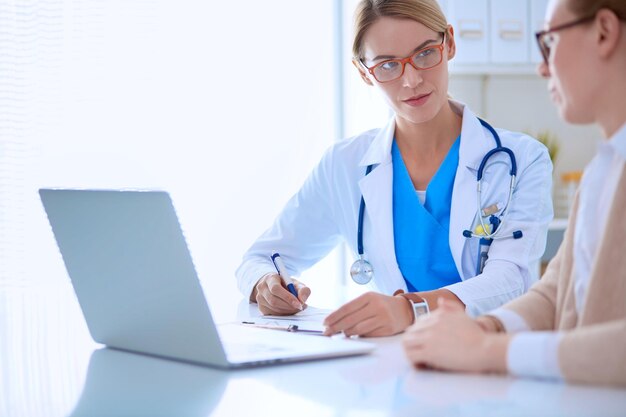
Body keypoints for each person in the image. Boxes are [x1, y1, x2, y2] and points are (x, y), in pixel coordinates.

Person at [236, 0, 553, 337]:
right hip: (397, 362)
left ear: (449, 44)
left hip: (490, 357)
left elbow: (510, 280)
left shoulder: (521, 159)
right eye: (388, 65)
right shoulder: (342, 165)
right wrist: (264, 284)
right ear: (363, 73)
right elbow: (259, 258)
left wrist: (410, 309)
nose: (412, 79)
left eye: (425, 53)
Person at [402, 0, 626, 386]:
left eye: (548, 43)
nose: (542, 67)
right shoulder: (602, 170)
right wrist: (485, 329)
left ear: (604, 32)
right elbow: (555, 293)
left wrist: (489, 353)